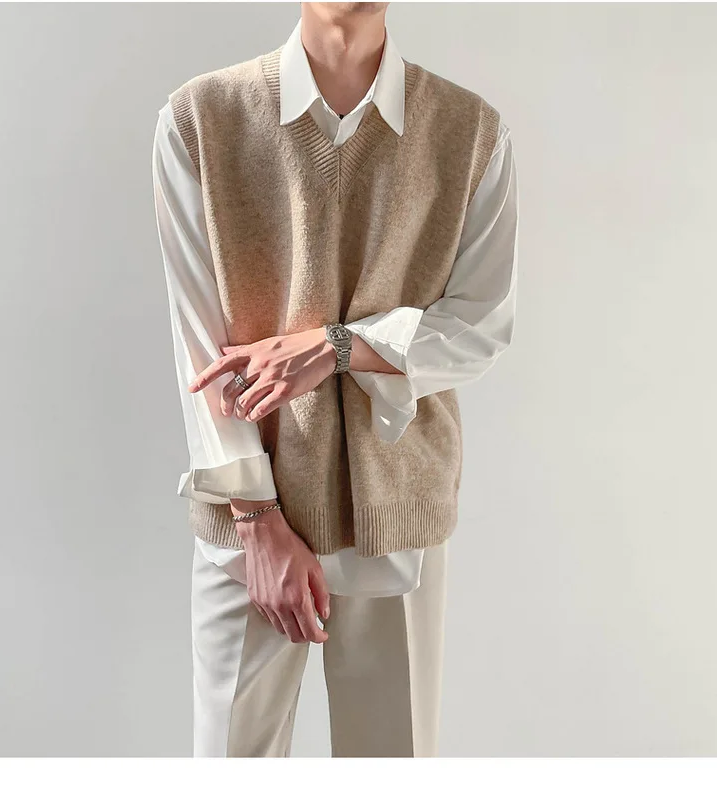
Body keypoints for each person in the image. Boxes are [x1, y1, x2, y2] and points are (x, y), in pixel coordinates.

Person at [151, 2, 518, 758]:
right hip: (251, 524)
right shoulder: (199, 120)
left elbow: (480, 326)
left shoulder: (472, 132)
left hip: (397, 513)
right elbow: (198, 350)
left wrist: (338, 346)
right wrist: (257, 521)